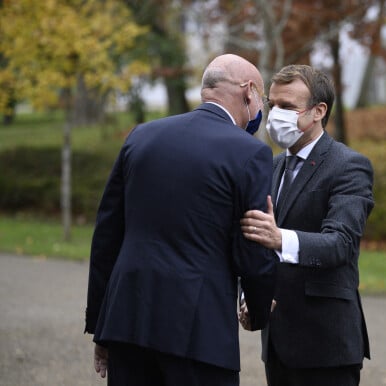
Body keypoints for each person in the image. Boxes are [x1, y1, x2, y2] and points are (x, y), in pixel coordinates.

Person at [84, 53, 277, 386]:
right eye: (262, 99)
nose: (261, 109)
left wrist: (102, 325)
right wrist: (258, 312)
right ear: (249, 92)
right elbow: (253, 242)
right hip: (198, 333)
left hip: (127, 323)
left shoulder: (141, 137)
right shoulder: (249, 152)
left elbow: (107, 235)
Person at [239, 64, 375, 386]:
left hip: (326, 346)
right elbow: (257, 241)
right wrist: (250, 296)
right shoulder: (271, 167)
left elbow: (340, 243)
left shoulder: (349, 166)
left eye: (288, 107)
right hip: (277, 345)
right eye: (273, 105)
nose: (275, 115)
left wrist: (279, 238)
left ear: (318, 111)